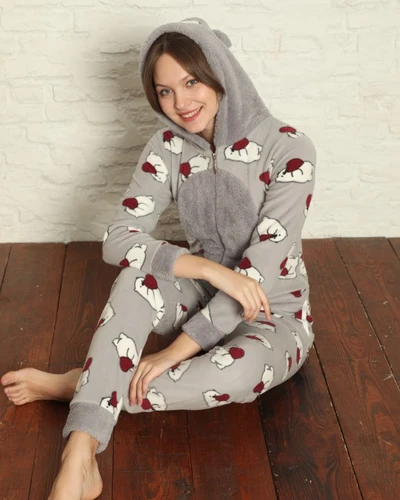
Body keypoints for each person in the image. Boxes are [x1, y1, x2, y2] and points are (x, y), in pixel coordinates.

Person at [1, 17, 317, 499]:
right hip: (199, 292)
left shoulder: (290, 149)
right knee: (135, 279)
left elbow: (258, 273)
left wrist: (174, 351)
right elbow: (117, 238)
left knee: (239, 372)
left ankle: (84, 386)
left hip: (276, 316)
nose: (180, 103)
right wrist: (207, 269)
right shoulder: (166, 148)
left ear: (220, 73)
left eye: (191, 82)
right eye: (165, 91)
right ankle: (79, 455)